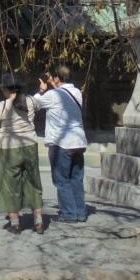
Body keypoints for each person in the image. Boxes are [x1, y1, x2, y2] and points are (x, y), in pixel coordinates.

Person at [0, 72, 44, 233]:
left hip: (8, 148)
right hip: (30, 144)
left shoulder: (2, 106)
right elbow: (38, 105)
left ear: (6, 89)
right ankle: (39, 220)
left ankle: (15, 223)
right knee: (33, 181)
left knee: (9, 185)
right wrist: (41, 91)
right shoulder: (30, 101)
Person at [34, 64, 88, 222]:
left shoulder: (52, 95)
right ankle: (80, 212)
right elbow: (62, 95)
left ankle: (69, 214)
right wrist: (53, 85)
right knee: (76, 178)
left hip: (61, 143)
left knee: (62, 180)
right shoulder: (77, 92)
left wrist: (42, 90)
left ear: (57, 78)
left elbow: (35, 103)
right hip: (78, 141)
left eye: (53, 77)